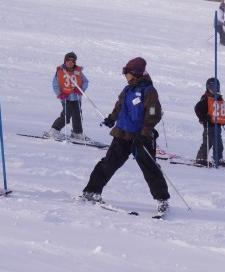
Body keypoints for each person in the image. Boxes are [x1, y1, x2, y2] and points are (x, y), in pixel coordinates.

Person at [81, 57, 169, 215]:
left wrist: (145, 133)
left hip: (142, 137)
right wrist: (111, 119)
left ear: (134, 73)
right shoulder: (127, 90)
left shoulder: (149, 91)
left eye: (126, 72)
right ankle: (91, 191)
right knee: (108, 163)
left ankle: (162, 199)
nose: (124, 75)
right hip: (123, 134)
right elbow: (119, 107)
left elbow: (153, 113)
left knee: (150, 167)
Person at [43, 52, 90, 142]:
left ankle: (77, 132)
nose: (70, 63)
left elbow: (85, 82)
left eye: (72, 61)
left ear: (75, 62)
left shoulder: (78, 72)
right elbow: (55, 84)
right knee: (66, 115)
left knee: (78, 115)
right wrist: (59, 93)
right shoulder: (60, 71)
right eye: (68, 60)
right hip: (66, 97)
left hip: (76, 97)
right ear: (65, 61)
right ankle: (54, 130)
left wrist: (80, 89)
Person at [194, 77, 225, 166]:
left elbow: (223, 110)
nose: (213, 90)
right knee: (209, 142)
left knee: (218, 143)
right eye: (211, 87)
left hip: (217, 125)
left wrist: (223, 119)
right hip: (209, 125)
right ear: (207, 87)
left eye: (216, 87)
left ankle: (217, 158)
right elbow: (197, 108)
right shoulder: (206, 98)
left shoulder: (219, 99)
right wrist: (203, 118)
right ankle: (202, 158)